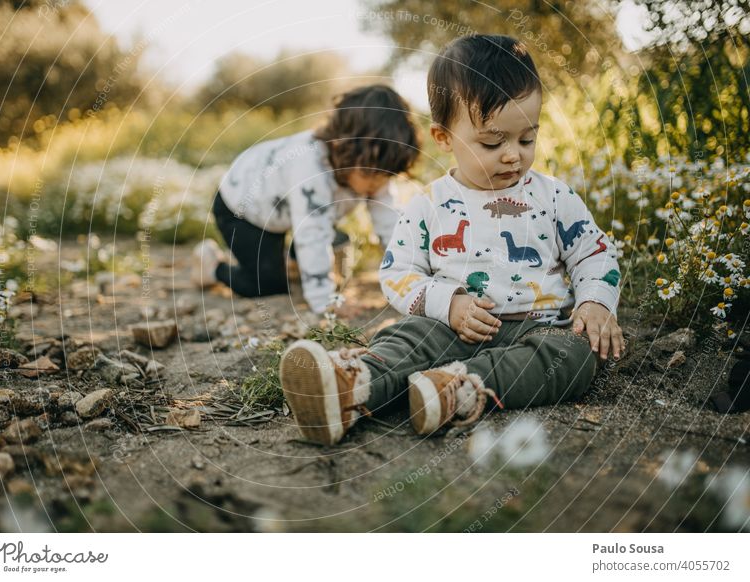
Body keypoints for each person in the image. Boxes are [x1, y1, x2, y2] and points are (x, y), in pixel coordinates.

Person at [279, 34, 625, 445]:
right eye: (492, 142)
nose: (513, 155)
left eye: (527, 138)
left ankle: (456, 388)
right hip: (449, 327)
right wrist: (448, 303)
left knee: (576, 357)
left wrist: (595, 302)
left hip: (540, 329)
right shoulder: (429, 205)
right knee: (407, 336)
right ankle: (352, 384)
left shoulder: (553, 196)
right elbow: (398, 273)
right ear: (444, 138)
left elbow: (595, 253)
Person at [191, 84, 421, 315]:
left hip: (287, 213)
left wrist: (410, 275)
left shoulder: (373, 166)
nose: (377, 185)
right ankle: (211, 267)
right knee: (268, 285)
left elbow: (390, 223)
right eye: (370, 175)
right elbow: (312, 233)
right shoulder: (311, 167)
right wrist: (325, 300)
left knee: (329, 241)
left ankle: (293, 263)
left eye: (387, 175)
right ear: (343, 148)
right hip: (242, 210)